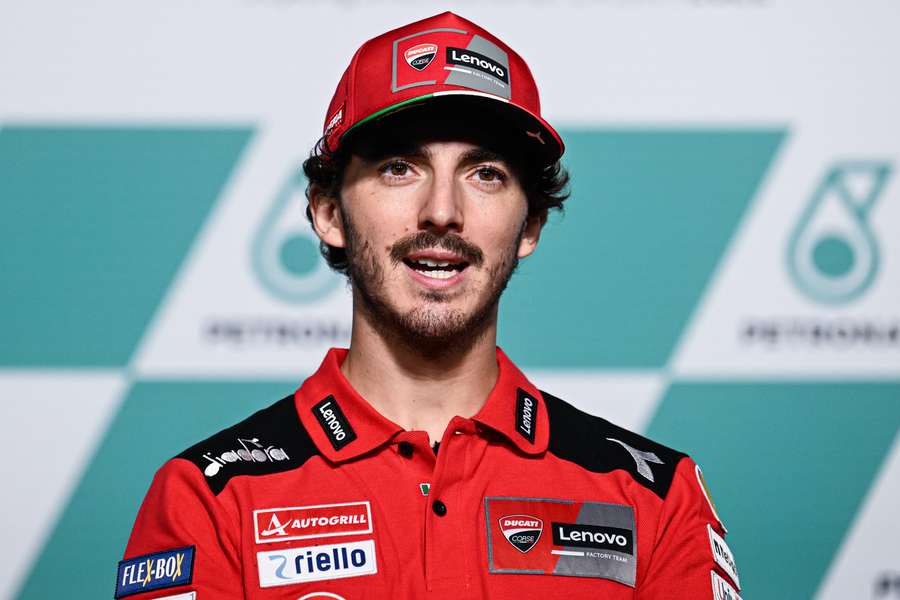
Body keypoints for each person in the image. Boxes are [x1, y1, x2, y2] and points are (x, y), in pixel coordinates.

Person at [116, 11, 741, 600]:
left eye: (486, 174)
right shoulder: (212, 497)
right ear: (329, 212)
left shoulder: (654, 497)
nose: (442, 211)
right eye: (398, 168)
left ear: (530, 225)